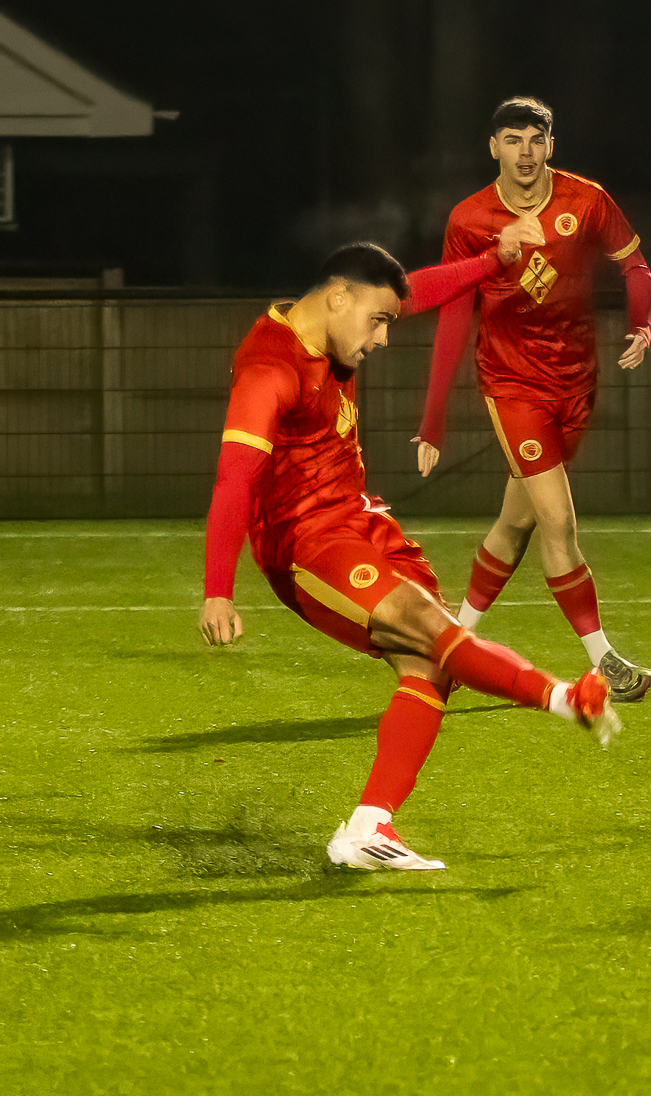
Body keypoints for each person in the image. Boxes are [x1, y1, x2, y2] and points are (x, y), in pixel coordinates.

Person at [201, 241, 622, 871]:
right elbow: (235, 478)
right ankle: (563, 696)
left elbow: (416, 290)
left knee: (431, 664)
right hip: (306, 545)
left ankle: (370, 826)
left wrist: (491, 261)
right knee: (434, 630)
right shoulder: (270, 367)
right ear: (338, 298)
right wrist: (218, 589)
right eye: (377, 322)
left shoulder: (335, 322)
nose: (383, 339)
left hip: (359, 521)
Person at [415, 96, 651, 704]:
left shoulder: (587, 201)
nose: (524, 152)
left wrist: (643, 322)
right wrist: (433, 422)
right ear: (492, 147)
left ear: (551, 144)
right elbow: (453, 316)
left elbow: (636, 268)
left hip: (576, 382)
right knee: (558, 520)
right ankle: (605, 662)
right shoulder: (470, 219)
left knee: (515, 523)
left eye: (535, 140)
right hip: (512, 384)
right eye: (512, 140)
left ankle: (449, 650)